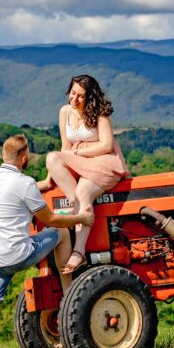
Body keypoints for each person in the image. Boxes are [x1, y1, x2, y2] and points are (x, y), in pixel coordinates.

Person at [0, 134, 94, 348]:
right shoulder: (24, 184)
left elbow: (14, 190)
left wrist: (43, 183)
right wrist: (81, 218)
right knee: (61, 232)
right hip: (18, 254)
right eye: (28, 154)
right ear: (23, 157)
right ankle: (68, 296)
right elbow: (50, 219)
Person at [39, 75, 129, 274]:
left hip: (103, 159)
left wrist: (78, 153)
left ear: (90, 97)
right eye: (72, 93)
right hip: (78, 158)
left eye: (80, 96)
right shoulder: (64, 112)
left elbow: (105, 145)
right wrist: (49, 179)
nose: (74, 99)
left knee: (83, 192)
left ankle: (78, 253)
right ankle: (78, 208)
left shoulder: (101, 113)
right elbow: (65, 147)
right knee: (52, 157)